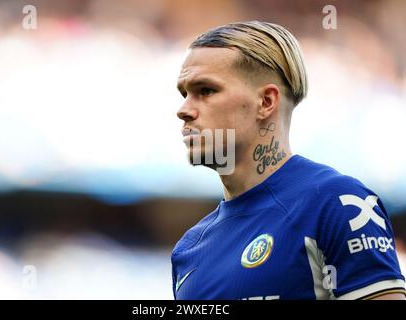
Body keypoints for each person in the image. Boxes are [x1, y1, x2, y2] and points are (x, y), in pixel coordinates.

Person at [172, 20, 405, 300]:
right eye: (185, 94)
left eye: (206, 91)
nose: (183, 110)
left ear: (266, 102)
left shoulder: (338, 204)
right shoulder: (189, 249)